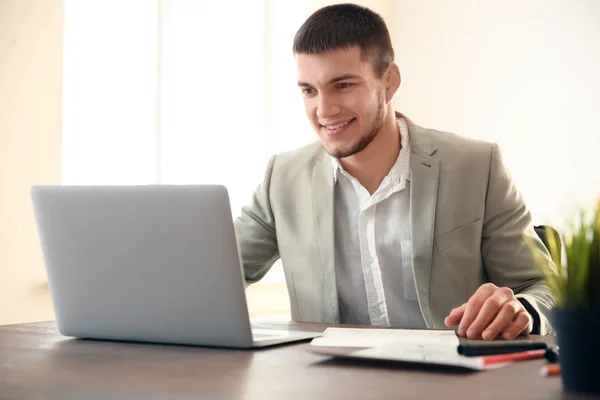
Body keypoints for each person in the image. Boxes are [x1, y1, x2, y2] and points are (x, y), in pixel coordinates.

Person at [233, 3, 557, 340]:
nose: (324, 109)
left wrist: (521, 308)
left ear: (389, 82)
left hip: (450, 381)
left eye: (343, 85)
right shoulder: (282, 178)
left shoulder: (477, 166)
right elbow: (209, 278)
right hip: (330, 384)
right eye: (309, 90)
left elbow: (544, 289)